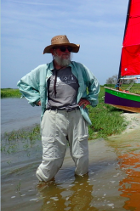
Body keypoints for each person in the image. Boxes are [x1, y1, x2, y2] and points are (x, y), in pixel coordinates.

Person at [17, 35, 100, 182]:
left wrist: (89, 99)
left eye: (69, 49)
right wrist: (37, 100)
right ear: (54, 52)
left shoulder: (79, 68)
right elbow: (23, 84)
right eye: (63, 49)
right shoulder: (42, 70)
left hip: (76, 114)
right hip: (53, 116)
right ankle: (44, 187)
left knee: (81, 156)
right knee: (52, 158)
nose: (67, 51)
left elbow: (94, 84)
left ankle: (82, 188)